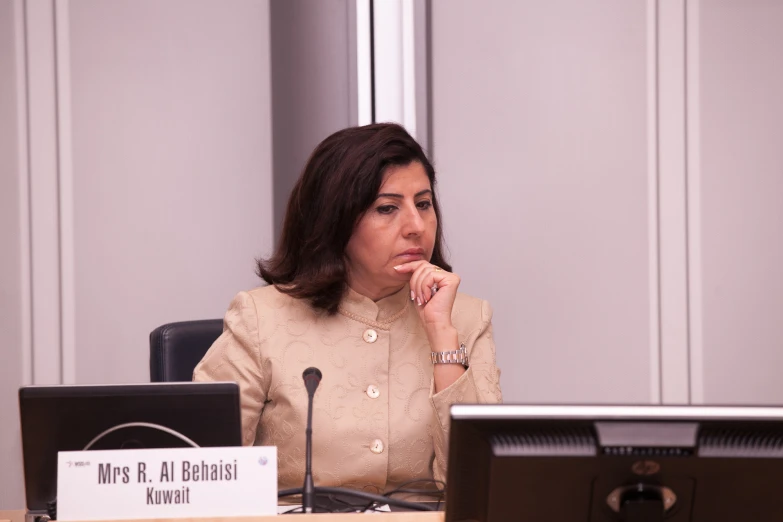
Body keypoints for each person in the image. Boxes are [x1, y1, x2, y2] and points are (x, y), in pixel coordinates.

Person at [193, 123, 502, 494]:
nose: (416, 226)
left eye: (423, 204)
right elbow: (201, 473)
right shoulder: (262, 318)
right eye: (387, 208)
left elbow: (482, 490)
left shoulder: (466, 319)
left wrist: (442, 336)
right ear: (335, 221)